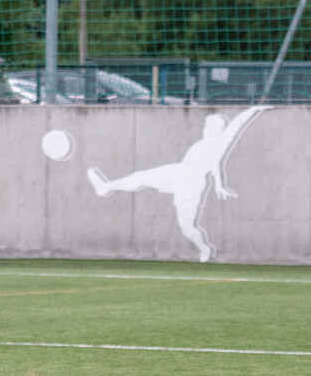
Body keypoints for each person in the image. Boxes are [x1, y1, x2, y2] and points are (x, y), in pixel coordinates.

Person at [86, 106, 268, 263]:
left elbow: (237, 125)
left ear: (217, 129)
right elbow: (215, 165)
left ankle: (204, 248)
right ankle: (106, 187)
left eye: (209, 126)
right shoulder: (205, 143)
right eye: (206, 126)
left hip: (192, 182)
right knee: (141, 176)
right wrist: (219, 184)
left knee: (187, 226)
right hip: (179, 172)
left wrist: (253, 109)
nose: (205, 129)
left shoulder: (221, 141)